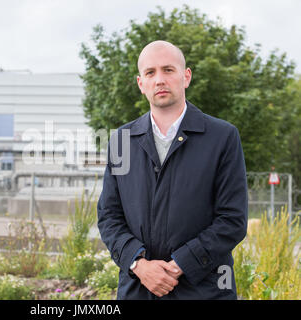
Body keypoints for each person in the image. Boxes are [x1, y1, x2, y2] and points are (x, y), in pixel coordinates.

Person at [97, 40, 248, 300]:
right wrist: (139, 265)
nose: (159, 80)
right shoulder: (121, 140)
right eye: (150, 73)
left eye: (168, 70)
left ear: (186, 76)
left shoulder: (222, 137)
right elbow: (109, 216)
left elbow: (232, 220)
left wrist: (180, 265)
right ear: (140, 83)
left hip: (205, 290)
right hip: (137, 289)